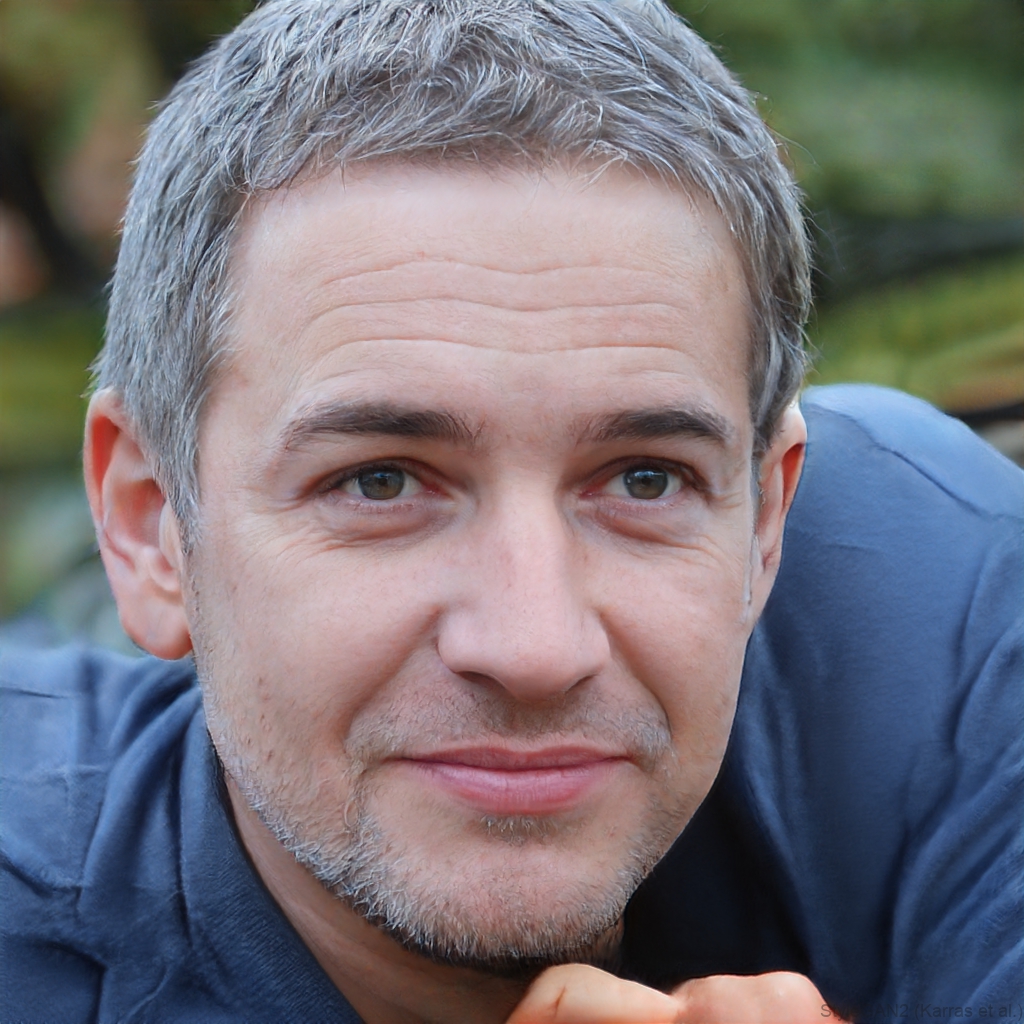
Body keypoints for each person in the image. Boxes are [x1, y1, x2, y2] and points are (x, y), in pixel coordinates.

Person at [1, 1, 1020, 1021]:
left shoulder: (931, 618)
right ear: (149, 524)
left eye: (645, 479)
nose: (534, 648)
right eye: (381, 481)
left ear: (765, 523)